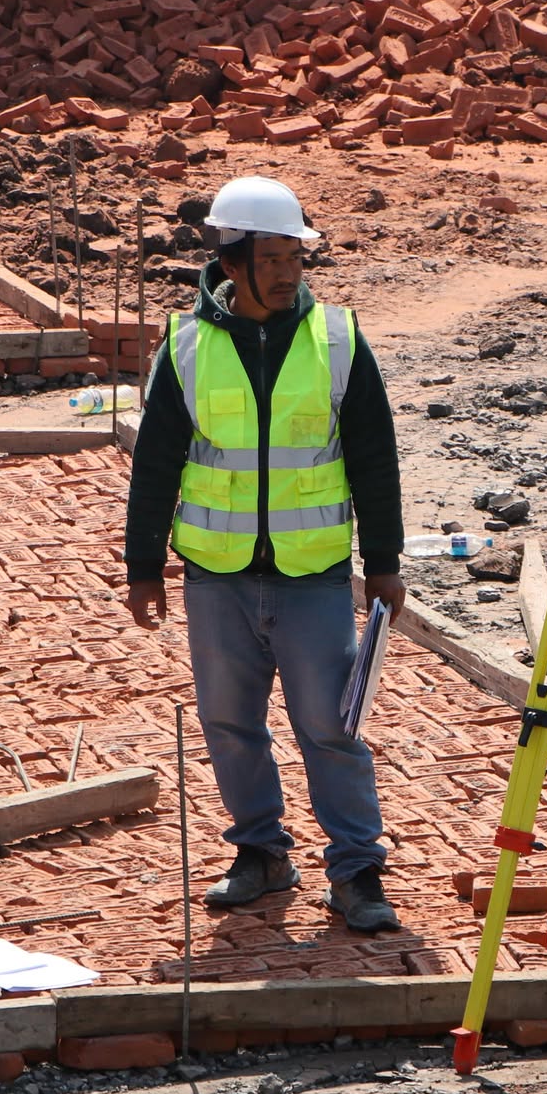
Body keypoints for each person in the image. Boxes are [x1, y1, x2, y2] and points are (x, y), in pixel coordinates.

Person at [124, 174, 407, 933]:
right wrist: (143, 566)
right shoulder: (184, 348)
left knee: (331, 724)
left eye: (297, 257)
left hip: (312, 573)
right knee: (228, 720)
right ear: (231, 261)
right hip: (216, 577)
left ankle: (357, 869)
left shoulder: (339, 340)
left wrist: (384, 562)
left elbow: (374, 458)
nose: (289, 273)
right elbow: (155, 462)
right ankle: (260, 852)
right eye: (274, 258)